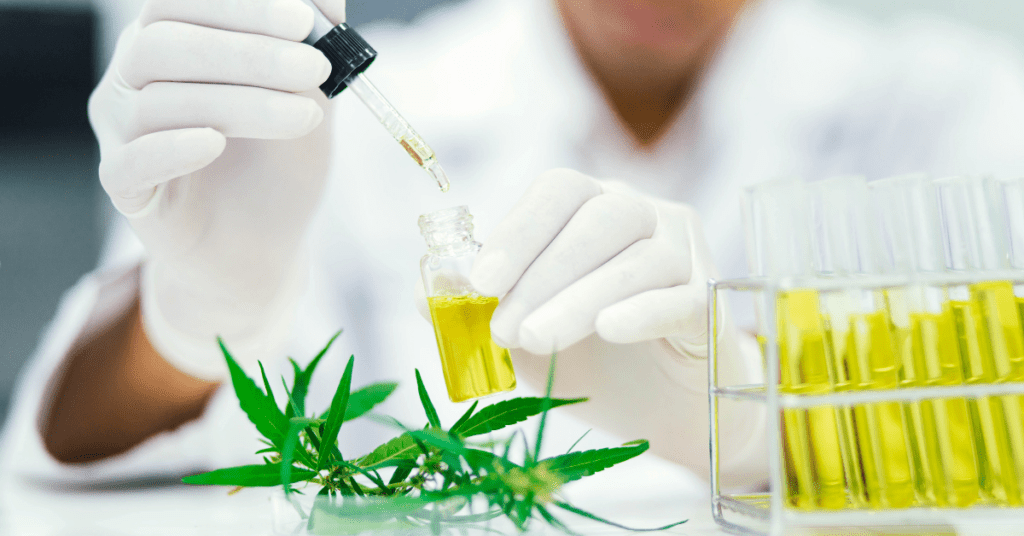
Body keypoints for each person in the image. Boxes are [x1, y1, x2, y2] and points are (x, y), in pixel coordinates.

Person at [3, 0, 1024, 494]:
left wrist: (749, 418)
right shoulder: (352, 128)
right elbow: (90, 444)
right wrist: (203, 307)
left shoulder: (948, 105)